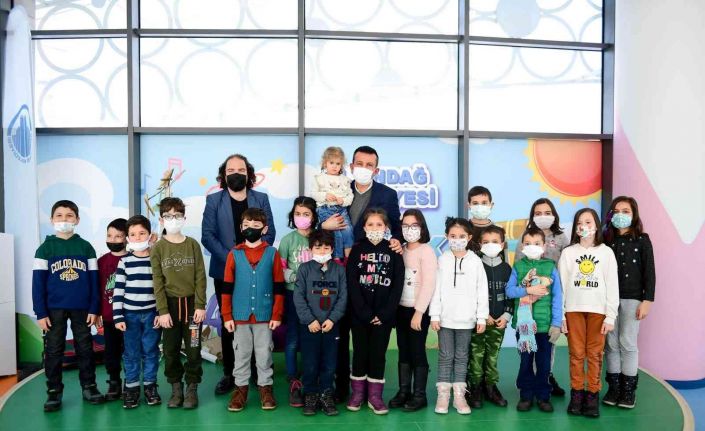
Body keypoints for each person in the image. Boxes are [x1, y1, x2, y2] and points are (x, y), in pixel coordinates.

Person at [319, 145, 403, 402]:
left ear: (376, 170)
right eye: (359, 164)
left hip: (369, 268)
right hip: (336, 265)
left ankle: (369, 389)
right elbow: (315, 219)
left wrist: (397, 240)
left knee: (365, 330)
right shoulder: (337, 187)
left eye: (369, 165)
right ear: (351, 166)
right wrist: (324, 225)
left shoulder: (387, 194)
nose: (363, 168)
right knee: (340, 328)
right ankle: (341, 387)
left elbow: (396, 227)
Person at [202, 153, 276, 396]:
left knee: (255, 320)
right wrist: (234, 260)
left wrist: (251, 259)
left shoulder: (261, 198)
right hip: (225, 269)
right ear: (224, 175)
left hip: (258, 269)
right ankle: (230, 372)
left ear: (249, 173)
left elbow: (270, 232)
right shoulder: (214, 200)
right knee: (230, 321)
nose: (236, 173)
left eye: (241, 170)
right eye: (231, 170)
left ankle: (256, 371)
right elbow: (208, 236)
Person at [32, 200, 105, 412]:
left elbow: (94, 281)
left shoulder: (85, 247)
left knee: (85, 347)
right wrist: (40, 312)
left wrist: (94, 308)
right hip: (53, 309)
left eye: (69, 216)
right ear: (52, 219)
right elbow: (38, 284)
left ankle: (89, 386)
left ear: (77, 220)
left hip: (82, 308)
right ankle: (54, 391)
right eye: (59, 215)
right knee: (54, 349)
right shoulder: (45, 249)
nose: (64, 219)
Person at [221, 208, 286, 412]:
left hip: (264, 317)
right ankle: (240, 390)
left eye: (256, 226)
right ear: (241, 228)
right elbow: (227, 288)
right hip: (240, 317)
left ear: (264, 229)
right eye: (247, 225)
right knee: (241, 354)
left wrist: (276, 314)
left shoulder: (272, 253)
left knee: (264, 354)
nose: (251, 229)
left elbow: (279, 286)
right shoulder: (234, 254)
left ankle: (265, 388)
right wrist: (227, 315)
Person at [559, 208, 619, 418]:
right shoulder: (568, 253)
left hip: (598, 312)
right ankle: (577, 394)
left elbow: (612, 285)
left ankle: (592, 394)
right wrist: (561, 315)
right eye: (579, 223)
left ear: (596, 225)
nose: (583, 226)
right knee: (576, 354)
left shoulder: (606, 252)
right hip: (573, 311)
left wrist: (610, 315)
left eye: (588, 222)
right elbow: (562, 286)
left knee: (594, 354)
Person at [346, 208, 405, 415]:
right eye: (370, 224)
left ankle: (375, 396)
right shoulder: (357, 250)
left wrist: (385, 313)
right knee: (360, 353)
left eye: (379, 224)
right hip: (359, 316)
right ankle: (358, 394)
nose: (374, 228)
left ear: (386, 227)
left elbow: (397, 284)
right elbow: (352, 282)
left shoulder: (394, 251)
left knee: (378, 355)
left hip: (384, 317)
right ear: (364, 227)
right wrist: (364, 312)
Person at [152, 197, 207, 409]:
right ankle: (176, 388)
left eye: (177, 215)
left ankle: (192, 387)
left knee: (193, 348)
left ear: (184, 218)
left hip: (192, 307)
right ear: (161, 219)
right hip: (170, 308)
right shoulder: (158, 248)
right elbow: (157, 282)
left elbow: (200, 277)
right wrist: (162, 311)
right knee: (170, 350)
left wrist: (200, 305)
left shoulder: (192, 245)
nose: (173, 219)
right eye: (168, 216)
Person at [430, 217, 488, 415]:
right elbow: (435, 290)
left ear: (469, 237)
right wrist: (434, 315)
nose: (457, 239)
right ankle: (443, 395)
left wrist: (481, 317)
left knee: (462, 356)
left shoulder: (475, 262)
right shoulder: (442, 260)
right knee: (445, 356)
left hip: (467, 320)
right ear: (446, 236)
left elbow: (482, 291)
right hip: (445, 320)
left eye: (461, 236)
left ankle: (459, 396)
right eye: (453, 236)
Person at [603, 196, 655, 409]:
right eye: (616, 211)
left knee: (628, 342)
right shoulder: (607, 242)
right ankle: (614, 388)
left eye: (626, 211)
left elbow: (649, 271)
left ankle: (628, 390)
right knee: (611, 344)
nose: (621, 215)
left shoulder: (642, 240)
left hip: (632, 298)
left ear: (634, 215)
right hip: (609, 300)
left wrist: (647, 300)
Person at [514, 197, 570, 396]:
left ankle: (546, 377)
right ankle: (529, 383)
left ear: (554, 215)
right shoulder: (525, 237)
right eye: (538, 213)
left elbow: (567, 266)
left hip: (551, 297)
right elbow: (518, 269)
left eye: (547, 213)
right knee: (528, 345)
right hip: (529, 300)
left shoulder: (561, 238)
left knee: (548, 346)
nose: (543, 216)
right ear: (532, 216)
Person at [506, 227, 563, 413]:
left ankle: (543, 396)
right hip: (524, 327)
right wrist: (528, 290)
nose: (532, 246)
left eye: (537, 243)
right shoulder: (518, 267)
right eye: (528, 243)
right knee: (526, 361)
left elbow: (557, 297)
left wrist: (556, 323)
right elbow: (509, 291)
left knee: (544, 364)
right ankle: (526, 395)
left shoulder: (550, 267)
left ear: (544, 246)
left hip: (545, 327)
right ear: (522, 246)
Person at [294, 230, 347, 416]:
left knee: (329, 363)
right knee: (310, 362)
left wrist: (332, 319)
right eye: (318, 247)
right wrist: (310, 320)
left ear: (332, 249)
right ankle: (310, 394)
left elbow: (343, 297)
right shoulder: (304, 269)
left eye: (326, 247)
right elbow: (298, 297)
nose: (322, 251)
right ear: (311, 249)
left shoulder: (339, 270)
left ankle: (326, 394)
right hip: (310, 327)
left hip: (331, 326)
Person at [389, 209, 437, 412]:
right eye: (405, 226)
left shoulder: (426, 251)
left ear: (422, 228)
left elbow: (429, 284)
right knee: (403, 349)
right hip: (401, 309)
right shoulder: (400, 250)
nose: (410, 230)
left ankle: (420, 395)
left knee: (417, 350)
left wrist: (419, 312)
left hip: (418, 312)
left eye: (414, 225)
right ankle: (404, 391)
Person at [113, 215, 161, 408]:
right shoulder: (124, 262)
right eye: (133, 234)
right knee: (131, 353)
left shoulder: (155, 260)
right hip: (129, 316)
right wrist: (118, 316)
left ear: (150, 235)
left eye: (142, 233)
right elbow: (118, 291)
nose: (138, 237)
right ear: (127, 238)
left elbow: (161, 289)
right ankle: (131, 388)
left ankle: (150, 386)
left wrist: (160, 312)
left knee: (151, 351)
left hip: (151, 314)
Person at [467, 225, 512, 409]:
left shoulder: (507, 269)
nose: (490, 245)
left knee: (492, 356)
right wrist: (482, 315)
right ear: (479, 244)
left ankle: (491, 387)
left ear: (502, 244)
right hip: (479, 321)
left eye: (495, 241)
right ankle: (475, 387)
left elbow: (510, 295)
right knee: (476, 355)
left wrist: (506, 315)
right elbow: (470, 294)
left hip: (499, 322)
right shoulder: (475, 265)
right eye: (486, 242)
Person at [278, 196, 317, 407]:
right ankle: (293, 377)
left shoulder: (319, 238)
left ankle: (313, 375)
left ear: (314, 216)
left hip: (317, 297)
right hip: (293, 295)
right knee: (293, 337)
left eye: (306, 214)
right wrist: (297, 277)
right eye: (298, 214)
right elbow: (281, 269)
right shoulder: (287, 240)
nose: (301, 217)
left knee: (312, 336)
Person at [97, 217, 127, 402]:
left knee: (131, 352)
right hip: (109, 317)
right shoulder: (101, 262)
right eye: (109, 235)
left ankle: (130, 383)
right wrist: (97, 313)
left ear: (126, 238)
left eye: (118, 236)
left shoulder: (133, 259)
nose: (113, 239)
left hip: (130, 316)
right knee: (111, 352)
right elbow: (97, 289)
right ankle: (114, 382)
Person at [310, 146, 355, 258]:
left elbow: (350, 196)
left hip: (341, 210)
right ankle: (337, 257)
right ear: (325, 163)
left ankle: (349, 256)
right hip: (325, 209)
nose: (335, 166)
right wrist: (325, 196)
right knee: (336, 234)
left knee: (348, 230)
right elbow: (313, 194)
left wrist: (343, 200)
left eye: (338, 163)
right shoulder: (319, 178)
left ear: (342, 165)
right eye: (331, 163)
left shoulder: (345, 180)